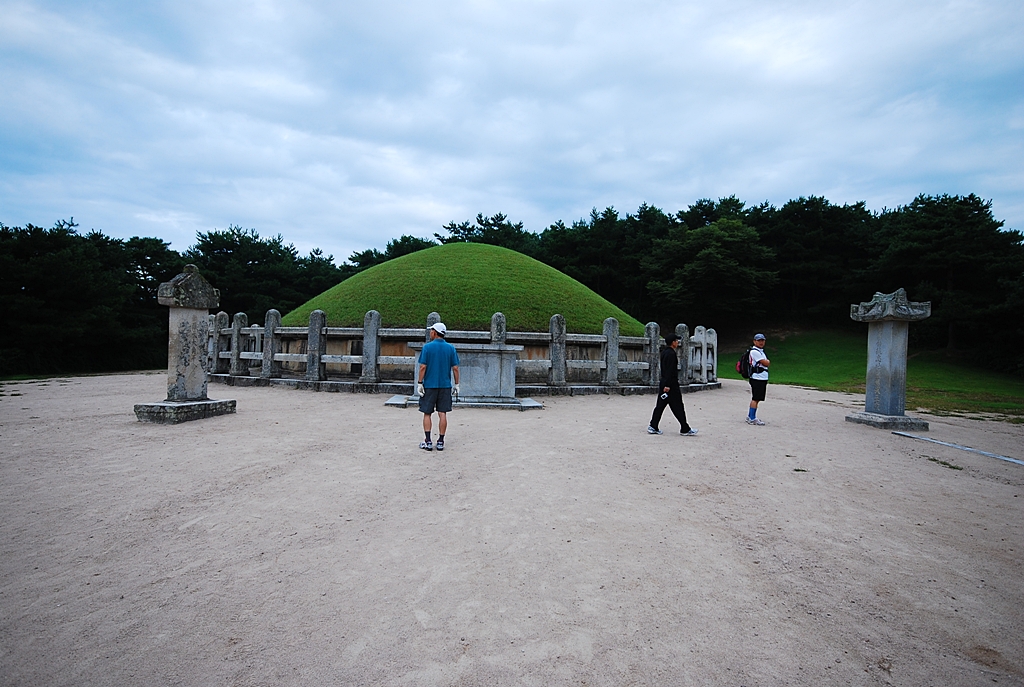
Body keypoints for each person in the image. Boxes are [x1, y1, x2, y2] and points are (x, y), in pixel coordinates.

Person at [417, 322, 460, 451]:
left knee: (427, 413)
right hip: (445, 385)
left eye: (431, 331)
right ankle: (440, 441)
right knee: (443, 413)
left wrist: (420, 383)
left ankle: (428, 441)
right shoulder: (450, 348)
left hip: (430, 385)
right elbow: (455, 368)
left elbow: (423, 366)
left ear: (435, 332)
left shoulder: (427, 348)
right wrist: (457, 384)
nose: (430, 333)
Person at [647, 333, 698, 436]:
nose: (677, 342)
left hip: (665, 383)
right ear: (673, 342)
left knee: (661, 406)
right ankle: (685, 428)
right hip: (671, 385)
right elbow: (670, 371)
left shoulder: (665, 352)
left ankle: (653, 425)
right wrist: (668, 385)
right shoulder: (671, 354)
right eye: (676, 341)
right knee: (678, 406)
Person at [746, 333, 770, 425]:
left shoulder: (761, 351)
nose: (761, 342)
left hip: (762, 377)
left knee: (758, 398)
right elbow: (765, 363)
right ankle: (752, 418)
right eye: (759, 340)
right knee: (756, 398)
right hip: (757, 378)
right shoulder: (755, 352)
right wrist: (767, 362)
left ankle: (750, 416)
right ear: (754, 341)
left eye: (762, 340)